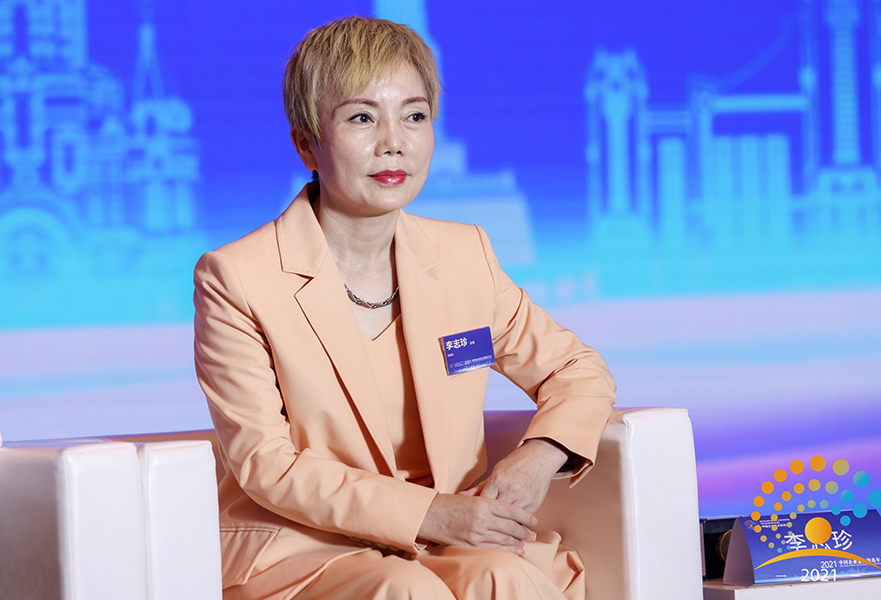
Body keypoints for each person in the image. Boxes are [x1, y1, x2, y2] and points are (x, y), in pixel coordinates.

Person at [193, 16, 617, 600]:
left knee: (506, 575)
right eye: (362, 118)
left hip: (449, 542)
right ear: (307, 144)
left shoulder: (464, 255)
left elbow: (577, 371)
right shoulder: (237, 277)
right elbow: (269, 464)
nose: (393, 141)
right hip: (305, 545)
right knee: (403, 588)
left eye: (414, 116)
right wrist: (433, 513)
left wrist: (535, 458)